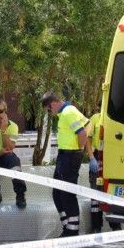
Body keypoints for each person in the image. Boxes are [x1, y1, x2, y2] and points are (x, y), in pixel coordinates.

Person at [41, 92, 89, 237]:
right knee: (57, 193)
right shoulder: (66, 112)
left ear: (54, 103)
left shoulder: (68, 112)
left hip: (70, 155)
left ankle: (72, 230)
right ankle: (68, 225)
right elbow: (89, 123)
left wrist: (79, 150)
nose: (50, 113)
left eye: (49, 109)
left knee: (67, 193)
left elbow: (82, 133)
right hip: (65, 155)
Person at [86, 110, 122, 233]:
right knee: (95, 194)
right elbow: (88, 139)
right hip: (98, 157)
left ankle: (116, 226)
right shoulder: (95, 119)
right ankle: (96, 226)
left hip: (112, 158)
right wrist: (91, 158)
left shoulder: (116, 117)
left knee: (111, 193)